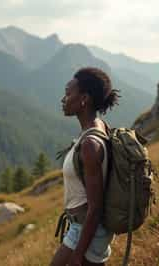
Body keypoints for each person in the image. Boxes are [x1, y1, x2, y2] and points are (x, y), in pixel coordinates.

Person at [50, 67, 120, 266]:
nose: (63, 99)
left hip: (87, 232)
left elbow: (95, 206)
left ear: (84, 99)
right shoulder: (99, 126)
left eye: (68, 93)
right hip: (84, 229)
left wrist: (78, 255)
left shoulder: (90, 145)